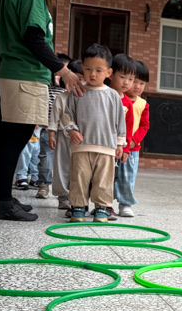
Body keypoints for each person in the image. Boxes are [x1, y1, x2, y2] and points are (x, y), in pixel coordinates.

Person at [0, 0, 83, 222]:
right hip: (25, 75)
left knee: (12, 138)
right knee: (14, 139)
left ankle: (5, 198)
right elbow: (34, 39)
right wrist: (63, 71)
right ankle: (3, 203)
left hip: (15, 73)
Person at [64, 44, 126, 223]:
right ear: (82, 68)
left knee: (103, 180)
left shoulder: (113, 95)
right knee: (79, 177)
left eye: (98, 70)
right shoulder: (77, 92)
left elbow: (119, 121)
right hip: (81, 146)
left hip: (106, 146)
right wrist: (72, 130)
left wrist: (120, 143)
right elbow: (68, 114)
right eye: (88, 69)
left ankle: (101, 208)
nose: (92, 74)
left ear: (108, 72)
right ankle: (78, 206)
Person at [116, 58, 150, 217]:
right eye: (134, 81)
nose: (137, 86)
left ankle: (125, 204)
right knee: (109, 176)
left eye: (142, 83)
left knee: (128, 177)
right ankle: (105, 204)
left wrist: (134, 141)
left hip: (132, 148)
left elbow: (144, 125)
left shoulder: (143, 104)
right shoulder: (117, 98)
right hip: (114, 145)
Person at [49, 58, 83, 212]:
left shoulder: (86, 97)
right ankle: (63, 195)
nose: (79, 82)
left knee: (79, 167)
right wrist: (51, 135)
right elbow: (54, 118)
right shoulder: (61, 97)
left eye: (82, 79)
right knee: (62, 166)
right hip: (63, 137)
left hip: (82, 139)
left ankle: (77, 195)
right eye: (76, 78)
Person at [35, 53, 70, 200]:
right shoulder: (46, 88)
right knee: (46, 158)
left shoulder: (68, 92)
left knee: (64, 161)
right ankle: (44, 184)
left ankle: (64, 192)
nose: (60, 76)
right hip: (47, 128)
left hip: (65, 131)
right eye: (57, 72)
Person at [109, 53, 136, 219]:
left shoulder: (127, 103)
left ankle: (120, 204)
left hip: (118, 147)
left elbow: (129, 126)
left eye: (131, 79)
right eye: (123, 77)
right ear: (110, 74)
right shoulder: (102, 94)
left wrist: (126, 148)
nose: (127, 82)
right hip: (100, 143)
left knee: (118, 176)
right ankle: (98, 204)